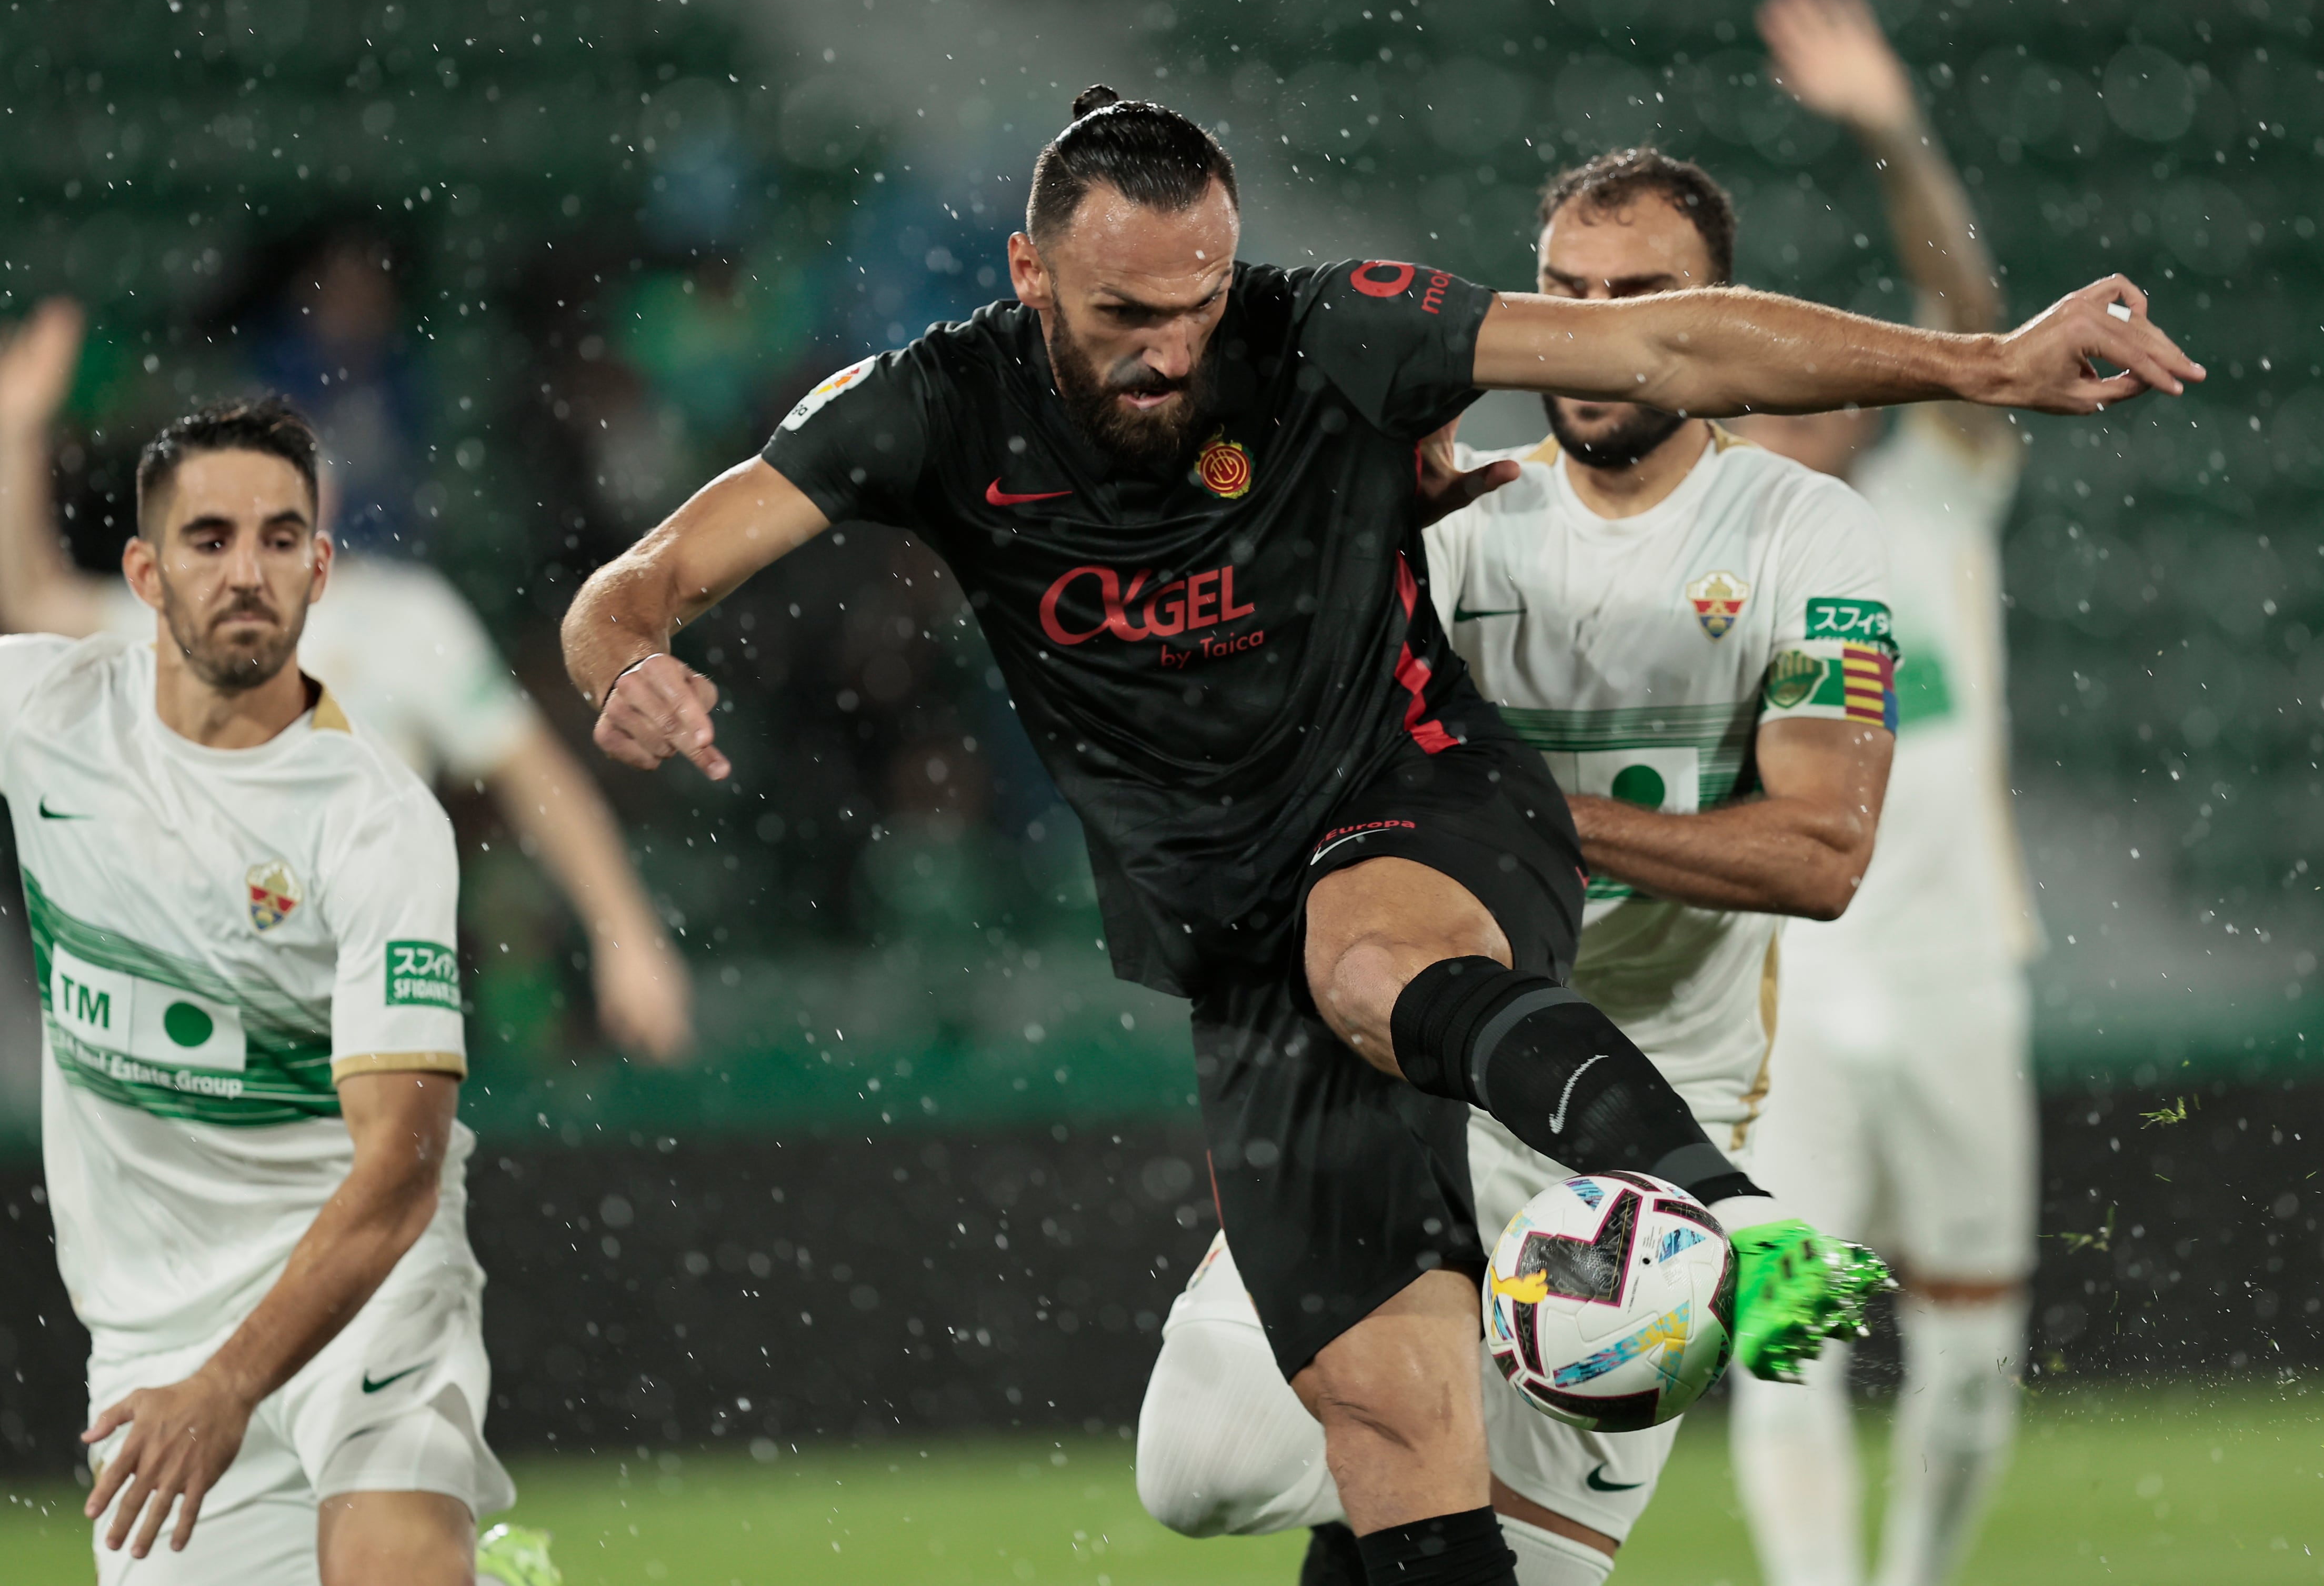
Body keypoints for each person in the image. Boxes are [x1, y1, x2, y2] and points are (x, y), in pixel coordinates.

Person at [562, 86, 2197, 1585]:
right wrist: (624, 661)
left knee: (1371, 960)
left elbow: (1682, 359)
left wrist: (1980, 366)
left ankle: (1720, 1210)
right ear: (1029, 272)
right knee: (1259, 1469)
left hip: (1419, 819)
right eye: (1127, 314)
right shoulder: (927, 406)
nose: (1171, 353)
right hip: (1250, 962)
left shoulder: (1336, 331)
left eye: (1200, 304)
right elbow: (631, 586)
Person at [1134, 146, 1904, 1586]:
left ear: (1711, 311)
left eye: (1641, 297)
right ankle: (1437, 1421)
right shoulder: (1450, 520)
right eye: (1569, 293)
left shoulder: (1816, 535)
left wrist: (1501, 805)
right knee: (1204, 1468)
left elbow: (1820, 850)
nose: (1599, 327)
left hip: (1641, 1134)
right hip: (1407, 1095)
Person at [1, 397, 539, 1584]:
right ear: (143, 571)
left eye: (280, 538)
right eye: (209, 539)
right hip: (153, 1333)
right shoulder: (44, 713)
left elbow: (398, 1173)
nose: (248, 570)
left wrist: (234, 1383)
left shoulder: (377, 820)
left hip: (365, 1279)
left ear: (321, 563)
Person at [0, 299, 693, 1065]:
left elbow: (538, 778)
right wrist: (16, 433)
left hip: (372, 992)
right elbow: (33, 598)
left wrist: (627, 935)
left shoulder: (408, 617)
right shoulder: (179, 616)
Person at [1726, 0, 2044, 1586]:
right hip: (1785, 1000)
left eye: (1847, 362)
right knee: (1779, 1339)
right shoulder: (1707, 561)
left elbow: (1969, 302)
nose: (1827, 387)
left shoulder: (1940, 492)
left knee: (1977, 1364)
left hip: (1955, 977)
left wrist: (1891, 130)